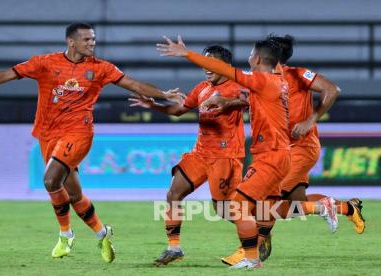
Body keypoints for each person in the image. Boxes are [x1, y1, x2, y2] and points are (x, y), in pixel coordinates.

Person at [0, 22, 184, 262]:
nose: (92, 43)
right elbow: (8, 74)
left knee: (50, 179)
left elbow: (133, 84)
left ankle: (65, 234)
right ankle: (102, 233)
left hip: (78, 133)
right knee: (73, 195)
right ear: (71, 41)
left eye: (93, 39)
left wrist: (163, 94)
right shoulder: (45, 63)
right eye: (87, 40)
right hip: (48, 133)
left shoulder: (102, 68)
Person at [156, 36, 338, 270]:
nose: (248, 58)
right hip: (274, 154)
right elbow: (249, 99)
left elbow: (226, 70)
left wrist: (187, 53)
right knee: (266, 208)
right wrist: (228, 102)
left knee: (237, 205)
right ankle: (321, 207)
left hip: (271, 155)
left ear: (259, 59)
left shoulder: (262, 80)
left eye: (251, 55)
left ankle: (252, 258)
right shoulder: (276, 81)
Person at [129, 45, 247, 266]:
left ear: (223, 65)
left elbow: (250, 100)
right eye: (203, 61)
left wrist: (228, 103)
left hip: (225, 156)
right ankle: (174, 248)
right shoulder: (202, 88)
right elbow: (179, 110)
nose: (205, 66)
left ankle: (254, 238)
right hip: (200, 154)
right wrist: (153, 105)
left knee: (224, 210)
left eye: (210, 61)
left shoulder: (236, 86)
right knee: (173, 193)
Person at [267, 35, 364, 234]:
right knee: (295, 204)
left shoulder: (298, 74)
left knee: (266, 200)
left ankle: (252, 248)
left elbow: (332, 89)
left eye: (256, 51)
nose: (253, 54)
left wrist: (310, 120)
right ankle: (347, 208)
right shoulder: (262, 79)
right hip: (282, 150)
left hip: (301, 148)